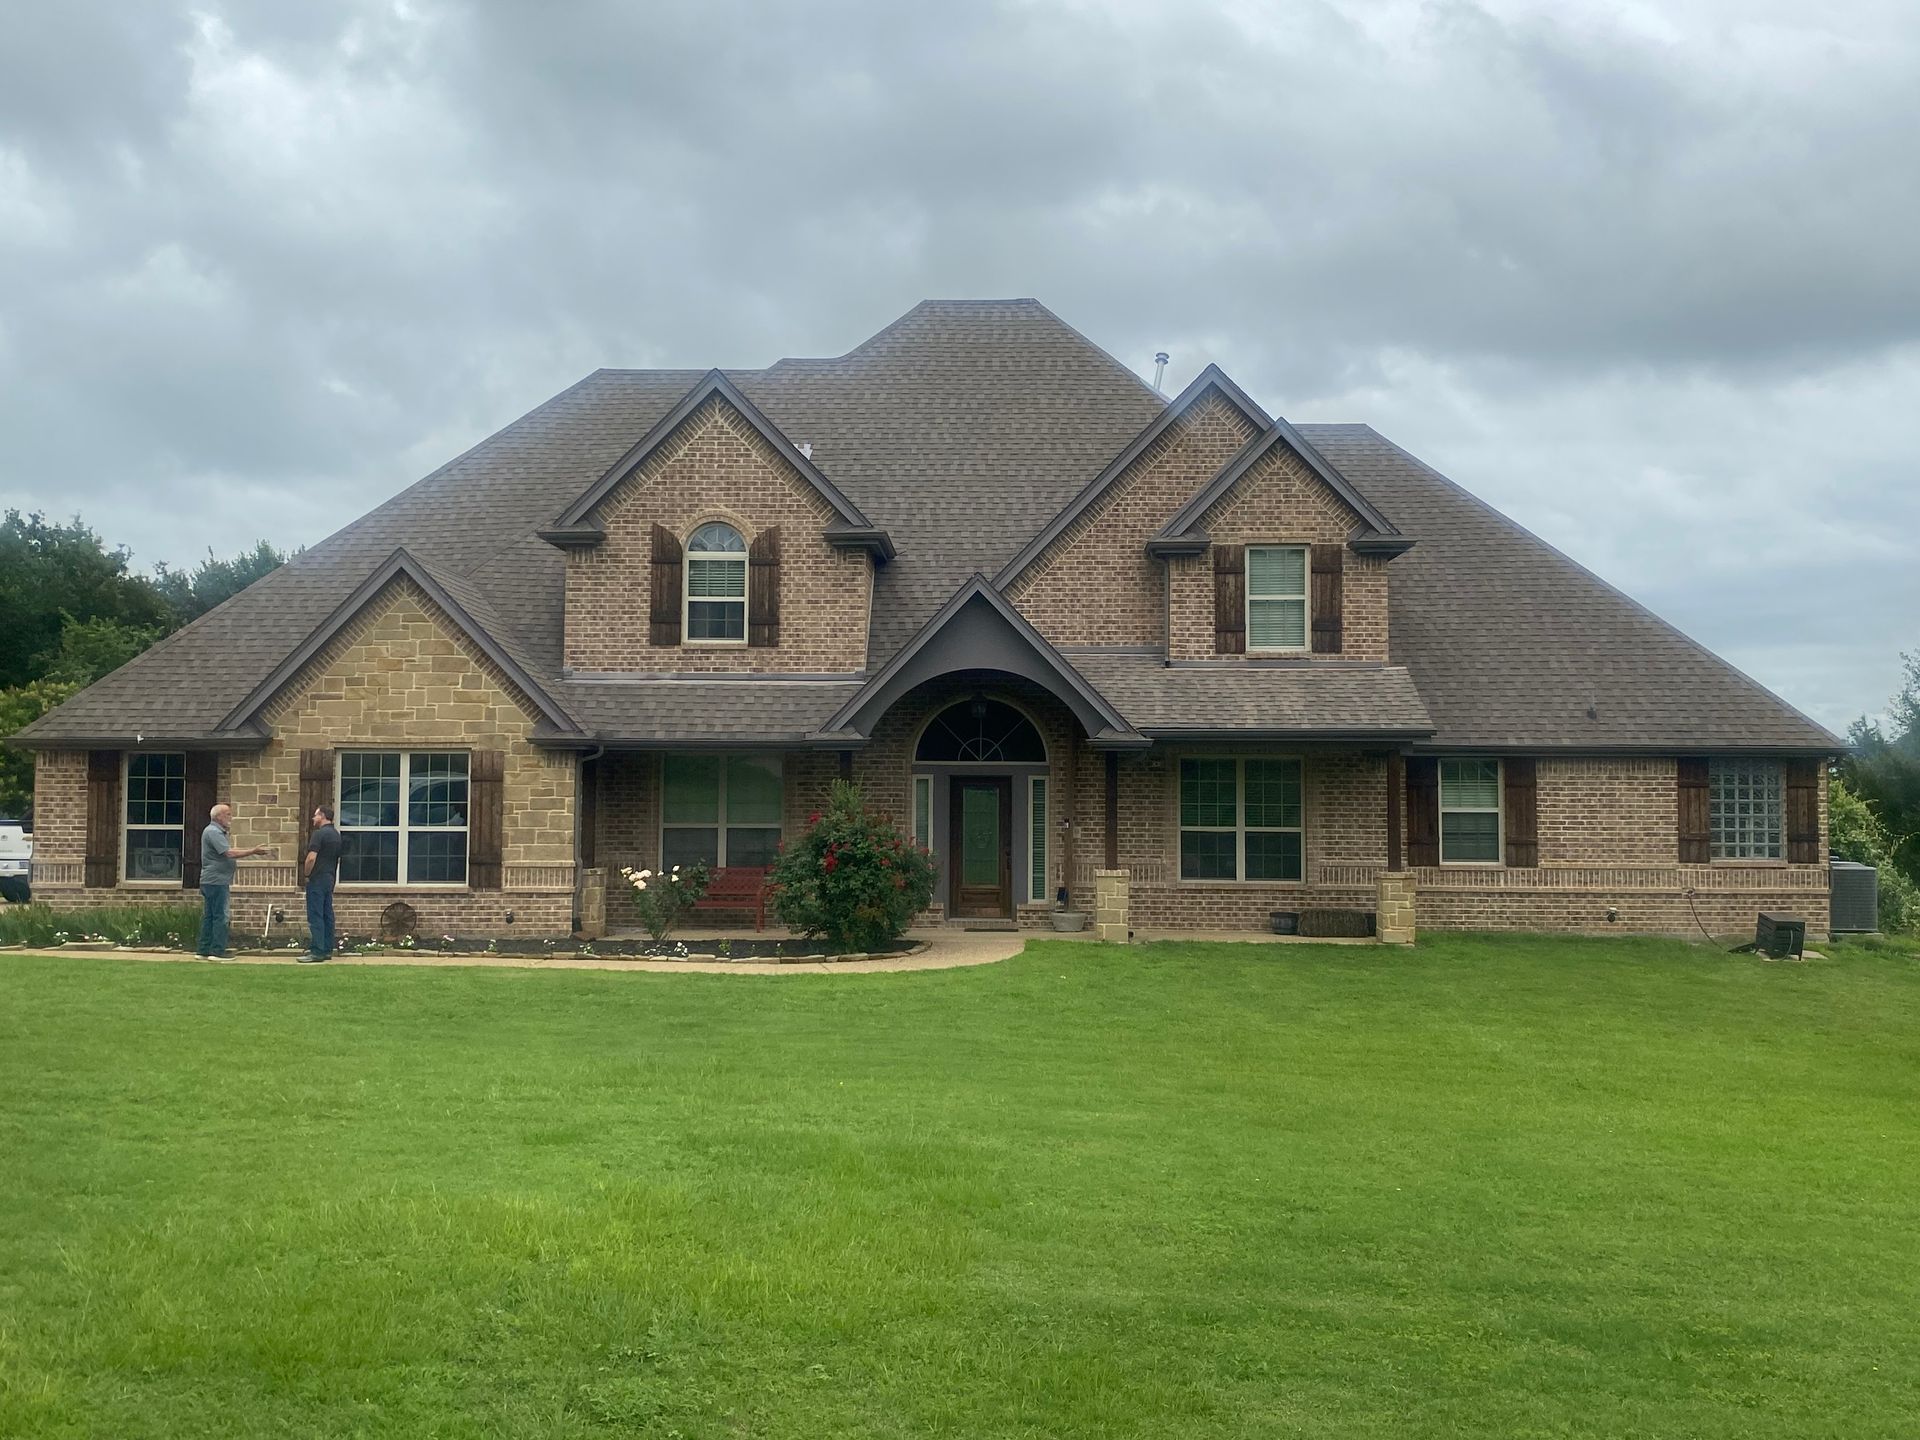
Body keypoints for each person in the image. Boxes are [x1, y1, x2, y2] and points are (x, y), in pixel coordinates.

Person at [195, 803, 270, 960]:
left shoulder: (216, 832)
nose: (231, 817)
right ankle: (217, 951)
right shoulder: (214, 832)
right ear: (219, 816)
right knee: (221, 916)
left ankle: (204, 950)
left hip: (213, 880)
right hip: (216, 881)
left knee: (210, 916)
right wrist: (253, 851)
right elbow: (228, 853)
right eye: (228, 814)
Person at [300, 805, 342, 963]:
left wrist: (307, 873)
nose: (313, 818)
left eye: (315, 815)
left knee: (316, 915)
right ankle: (326, 949)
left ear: (323, 816)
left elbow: (311, 857)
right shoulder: (336, 835)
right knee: (327, 914)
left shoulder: (319, 834)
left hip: (317, 878)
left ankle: (317, 951)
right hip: (330, 877)